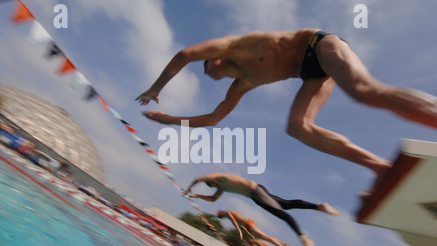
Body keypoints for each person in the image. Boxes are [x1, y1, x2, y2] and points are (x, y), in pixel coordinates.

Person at [136, 29, 437, 193]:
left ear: (215, 58)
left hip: (320, 46)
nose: (206, 71)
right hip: (313, 75)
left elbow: (186, 54)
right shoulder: (241, 85)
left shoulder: (233, 45)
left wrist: (155, 89)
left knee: (364, 91)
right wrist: (168, 121)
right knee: (297, 127)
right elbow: (214, 118)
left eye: (207, 66)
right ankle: (380, 168)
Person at [186, 172, 339, 246]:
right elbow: (213, 199)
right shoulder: (221, 187)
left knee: (282, 214)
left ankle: (304, 239)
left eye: (214, 186)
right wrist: (197, 195)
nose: (216, 189)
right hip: (257, 191)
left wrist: (189, 187)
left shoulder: (219, 177)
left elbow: (200, 177)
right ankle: (319, 206)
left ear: (211, 181)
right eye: (215, 188)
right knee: (286, 204)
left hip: (256, 193)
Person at [216, 209, 294, 246]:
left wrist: (239, 231)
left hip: (249, 223)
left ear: (222, 214)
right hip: (248, 225)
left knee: (265, 236)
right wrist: (248, 233)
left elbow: (234, 221)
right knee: (265, 236)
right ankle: (284, 244)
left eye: (221, 217)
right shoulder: (229, 214)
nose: (223, 217)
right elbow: (241, 225)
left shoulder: (228, 212)